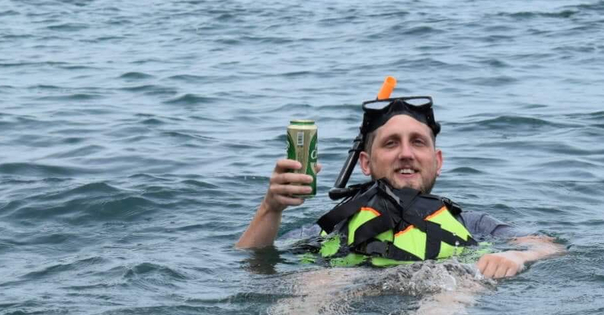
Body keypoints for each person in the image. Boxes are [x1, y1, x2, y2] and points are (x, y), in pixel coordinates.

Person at [236, 95, 563, 279]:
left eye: (417, 142)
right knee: (321, 280)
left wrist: (515, 256)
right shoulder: (335, 228)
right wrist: (271, 207)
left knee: (457, 285)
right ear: (365, 162)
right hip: (346, 286)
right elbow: (249, 263)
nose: (406, 153)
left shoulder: (471, 224)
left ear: (437, 160)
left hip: (433, 298)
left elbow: (551, 247)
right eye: (391, 143)